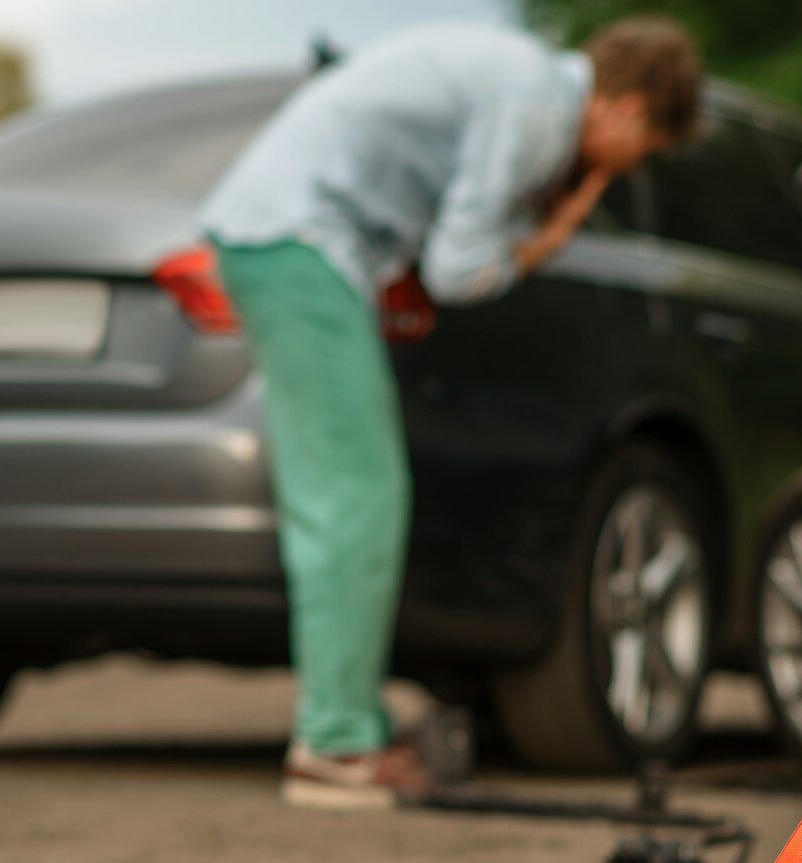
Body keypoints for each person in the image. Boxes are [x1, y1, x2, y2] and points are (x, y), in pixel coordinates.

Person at [198, 17, 703, 809]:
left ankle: (345, 721)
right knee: (356, 497)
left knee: (336, 493)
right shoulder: (537, 105)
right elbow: (459, 267)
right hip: (301, 241)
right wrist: (548, 237)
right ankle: (333, 746)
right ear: (631, 110)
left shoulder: (520, 76)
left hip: (284, 236)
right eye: (645, 150)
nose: (632, 166)